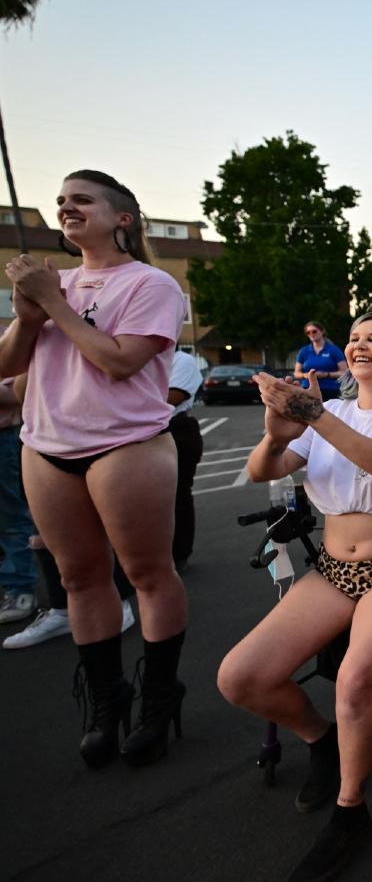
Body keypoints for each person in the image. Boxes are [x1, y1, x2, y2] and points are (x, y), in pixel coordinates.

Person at [218, 311, 372, 882]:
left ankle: (350, 810)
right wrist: (277, 429)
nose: (361, 344)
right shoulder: (333, 414)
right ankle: (321, 743)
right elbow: (259, 470)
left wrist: (311, 412)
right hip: (334, 568)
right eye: (355, 339)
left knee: (354, 681)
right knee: (240, 677)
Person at [0, 170, 189, 768]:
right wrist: (30, 316)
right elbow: (8, 364)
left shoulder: (151, 284)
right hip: (47, 446)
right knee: (80, 579)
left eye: (81, 200)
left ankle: (160, 697)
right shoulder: (53, 285)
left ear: (122, 218)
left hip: (125, 445)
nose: (66, 208)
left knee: (146, 574)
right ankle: (108, 699)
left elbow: (118, 362)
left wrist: (54, 302)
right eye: (61, 202)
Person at [0, 375, 37, 627]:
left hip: (3, 436)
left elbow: (18, 393)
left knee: (9, 517)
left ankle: (19, 589)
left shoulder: (7, 336)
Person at [167, 349, 204, 571]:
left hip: (175, 429)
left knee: (178, 494)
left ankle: (179, 554)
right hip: (135, 432)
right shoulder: (137, 359)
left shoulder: (182, 360)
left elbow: (173, 397)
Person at [295, 321, 347, 400]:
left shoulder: (334, 350)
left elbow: (344, 372)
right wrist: (306, 375)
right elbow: (296, 373)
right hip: (308, 389)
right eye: (308, 332)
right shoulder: (304, 351)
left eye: (314, 331)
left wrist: (326, 374)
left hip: (330, 390)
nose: (311, 334)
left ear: (322, 331)